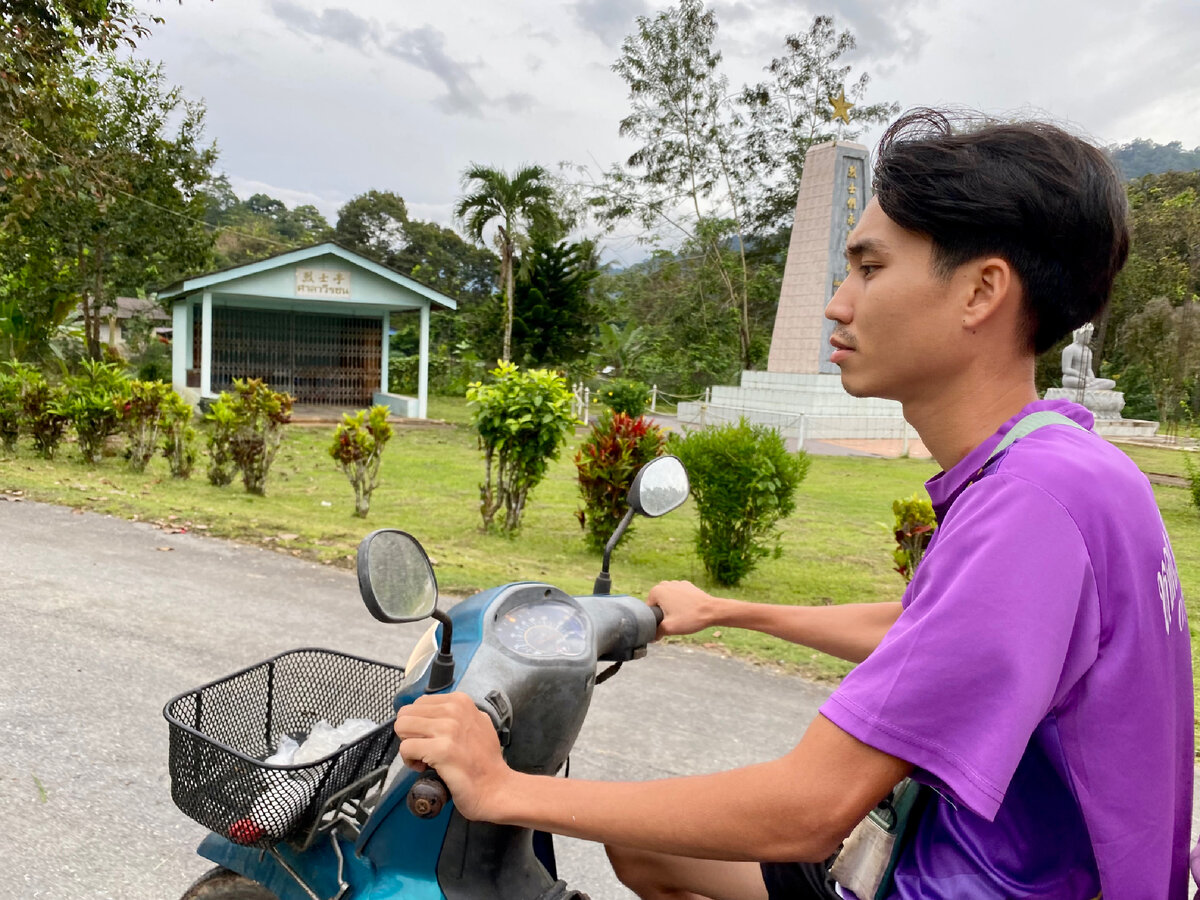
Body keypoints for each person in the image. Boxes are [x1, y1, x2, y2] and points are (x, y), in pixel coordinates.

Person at [394, 109, 1193, 899]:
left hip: (965, 883)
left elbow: (807, 810)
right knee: (642, 851)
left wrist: (503, 788)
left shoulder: (1029, 505)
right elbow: (939, 634)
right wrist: (733, 611)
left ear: (982, 290)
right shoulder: (1074, 463)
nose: (837, 304)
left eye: (871, 269)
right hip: (998, 859)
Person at [1061, 322, 1117, 390]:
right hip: (1071, 378)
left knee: (1111, 383)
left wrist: (1092, 379)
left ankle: (1090, 388)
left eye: (1090, 335)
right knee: (1082, 382)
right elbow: (1066, 369)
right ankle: (1091, 388)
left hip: (1086, 379)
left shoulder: (1088, 351)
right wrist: (1081, 376)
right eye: (1087, 335)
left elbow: (1088, 369)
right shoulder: (1069, 349)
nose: (1089, 337)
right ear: (1080, 334)